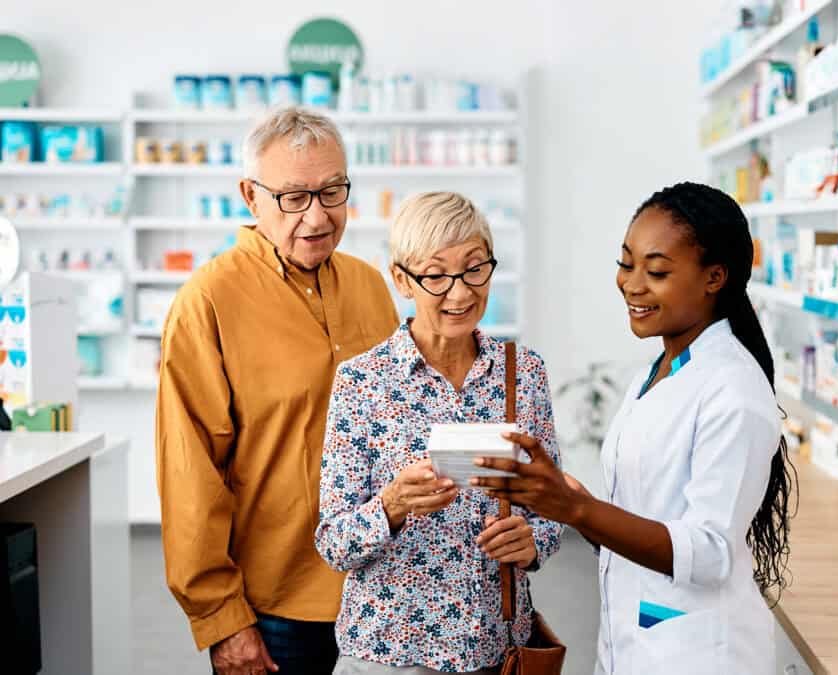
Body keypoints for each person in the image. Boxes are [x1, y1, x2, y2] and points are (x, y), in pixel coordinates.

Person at [474, 182, 796, 674]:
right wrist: (572, 502)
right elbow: (649, 509)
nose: (632, 284)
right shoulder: (664, 368)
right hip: (636, 637)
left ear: (714, 277)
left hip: (698, 654)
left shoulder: (733, 390)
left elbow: (710, 552)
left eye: (658, 271)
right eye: (626, 264)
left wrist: (576, 507)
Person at [156, 107, 399, 675]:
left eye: (332, 191)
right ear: (251, 195)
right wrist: (222, 620)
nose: (317, 217)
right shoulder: (208, 300)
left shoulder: (369, 285)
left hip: (383, 591)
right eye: (293, 197)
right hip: (276, 608)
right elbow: (190, 475)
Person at [316, 191, 563, 675]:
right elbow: (333, 542)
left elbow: (554, 507)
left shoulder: (523, 374)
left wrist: (532, 542)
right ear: (402, 280)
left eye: (475, 268)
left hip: (495, 650)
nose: (461, 292)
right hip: (387, 655)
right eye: (436, 275)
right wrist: (391, 506)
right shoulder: (362, 382)